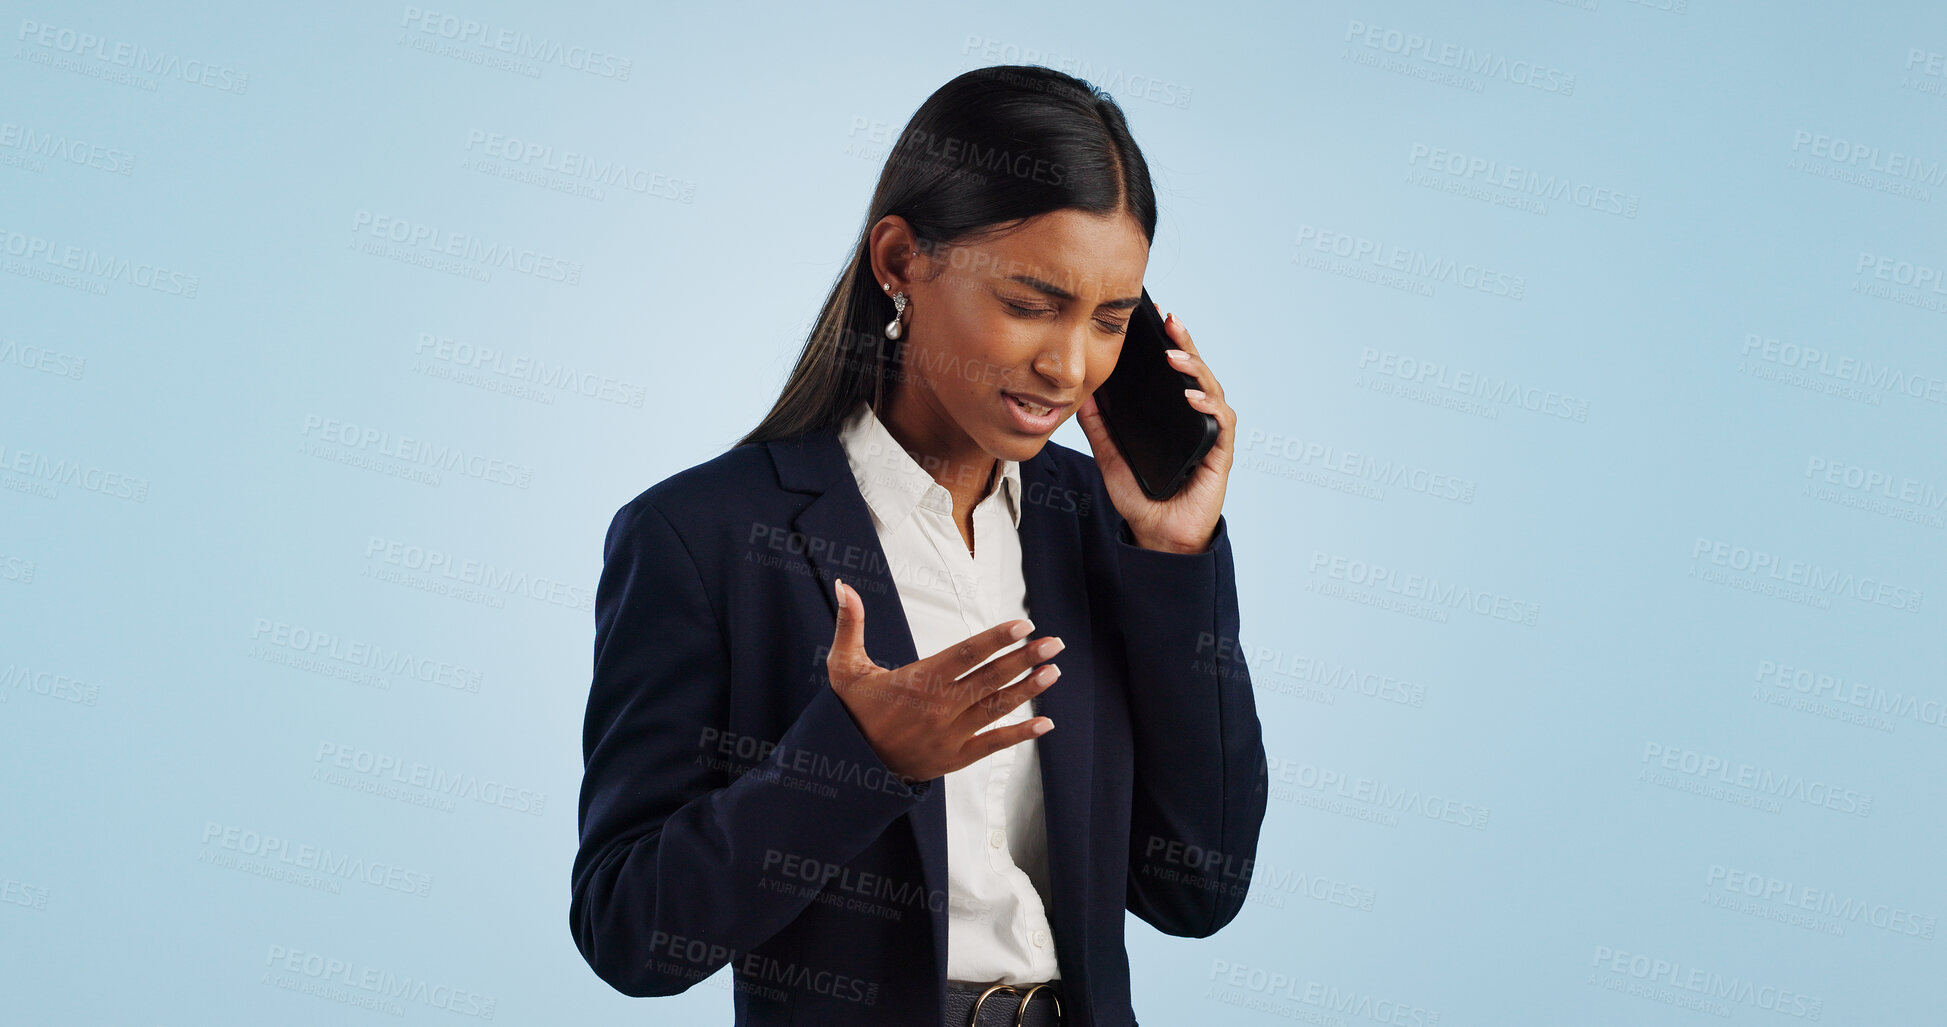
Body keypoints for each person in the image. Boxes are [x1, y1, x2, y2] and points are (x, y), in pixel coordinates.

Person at [569, 64, 1267, 1027]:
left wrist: (1177, 562)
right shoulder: (702, 536)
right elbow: (629, 930)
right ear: (899, 261)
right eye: (1030, 302)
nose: (1068, 366)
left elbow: (1197, 889)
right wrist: (857, 758)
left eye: (1109, 320)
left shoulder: (1101, 526)